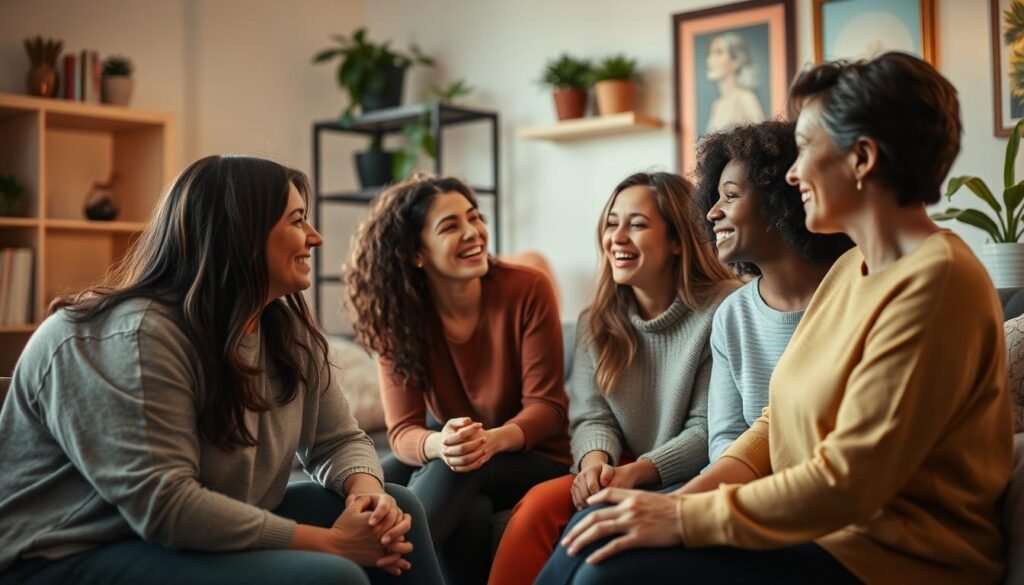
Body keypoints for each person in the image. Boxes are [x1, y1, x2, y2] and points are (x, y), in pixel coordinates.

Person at [537, 52, 1013, 585]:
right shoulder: (850, 269)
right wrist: (670, 503)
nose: (792, 172)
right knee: (600, 527)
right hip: (817, 533)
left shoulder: (937, 281)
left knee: (610, 570)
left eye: (807, 149)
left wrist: (680, 515)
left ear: (861, 158)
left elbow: (848, 483)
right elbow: (771, 425)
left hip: (891, 556)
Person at [0, 155, 443, 585]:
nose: (315, 237)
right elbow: (166, 506)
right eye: (296, 220)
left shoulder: (285, 329)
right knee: (331, 575)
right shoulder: (130, 337)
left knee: (398, 507)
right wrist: (333, 544)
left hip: (174, 534)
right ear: (242, 234)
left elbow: (338, 440)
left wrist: (366, 494)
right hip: (62, 553)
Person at [488, 172, 738, 585]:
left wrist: (636, 473)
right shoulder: (596, 320)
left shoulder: (723, 308)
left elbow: (705, 430)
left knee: (595, 533)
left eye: (637, 225)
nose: (617, 237)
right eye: (611, 223)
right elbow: (592, 417)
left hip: (690, 476)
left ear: (678, 241)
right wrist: (594, 464)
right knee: (536, 506)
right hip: (616, 467)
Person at [344, 174, 570, 584]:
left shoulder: (527, 289)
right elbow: (403, 431)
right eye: (451, 226)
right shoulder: (398, 314)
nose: (473, 233)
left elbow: (548, 409)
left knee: (459, 469)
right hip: (455, 453)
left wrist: (488, 441)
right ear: (417, 253)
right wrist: (440, 443)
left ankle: (367, 579)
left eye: (474, 218)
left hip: (538, 457)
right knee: (378, 475)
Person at [693, 120, 852, 474]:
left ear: (782, 203)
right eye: (716, 196)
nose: (712, 212)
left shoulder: (855, 293)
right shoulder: (732, 315)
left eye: (731, 196)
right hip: (747, 488)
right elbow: (726, 438)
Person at [704, 33, 766, 134]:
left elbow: (764, 140)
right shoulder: (717, 105)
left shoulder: (746, 98)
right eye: (709, 54)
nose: (709, 60)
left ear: (736, 61)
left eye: (718, 53)